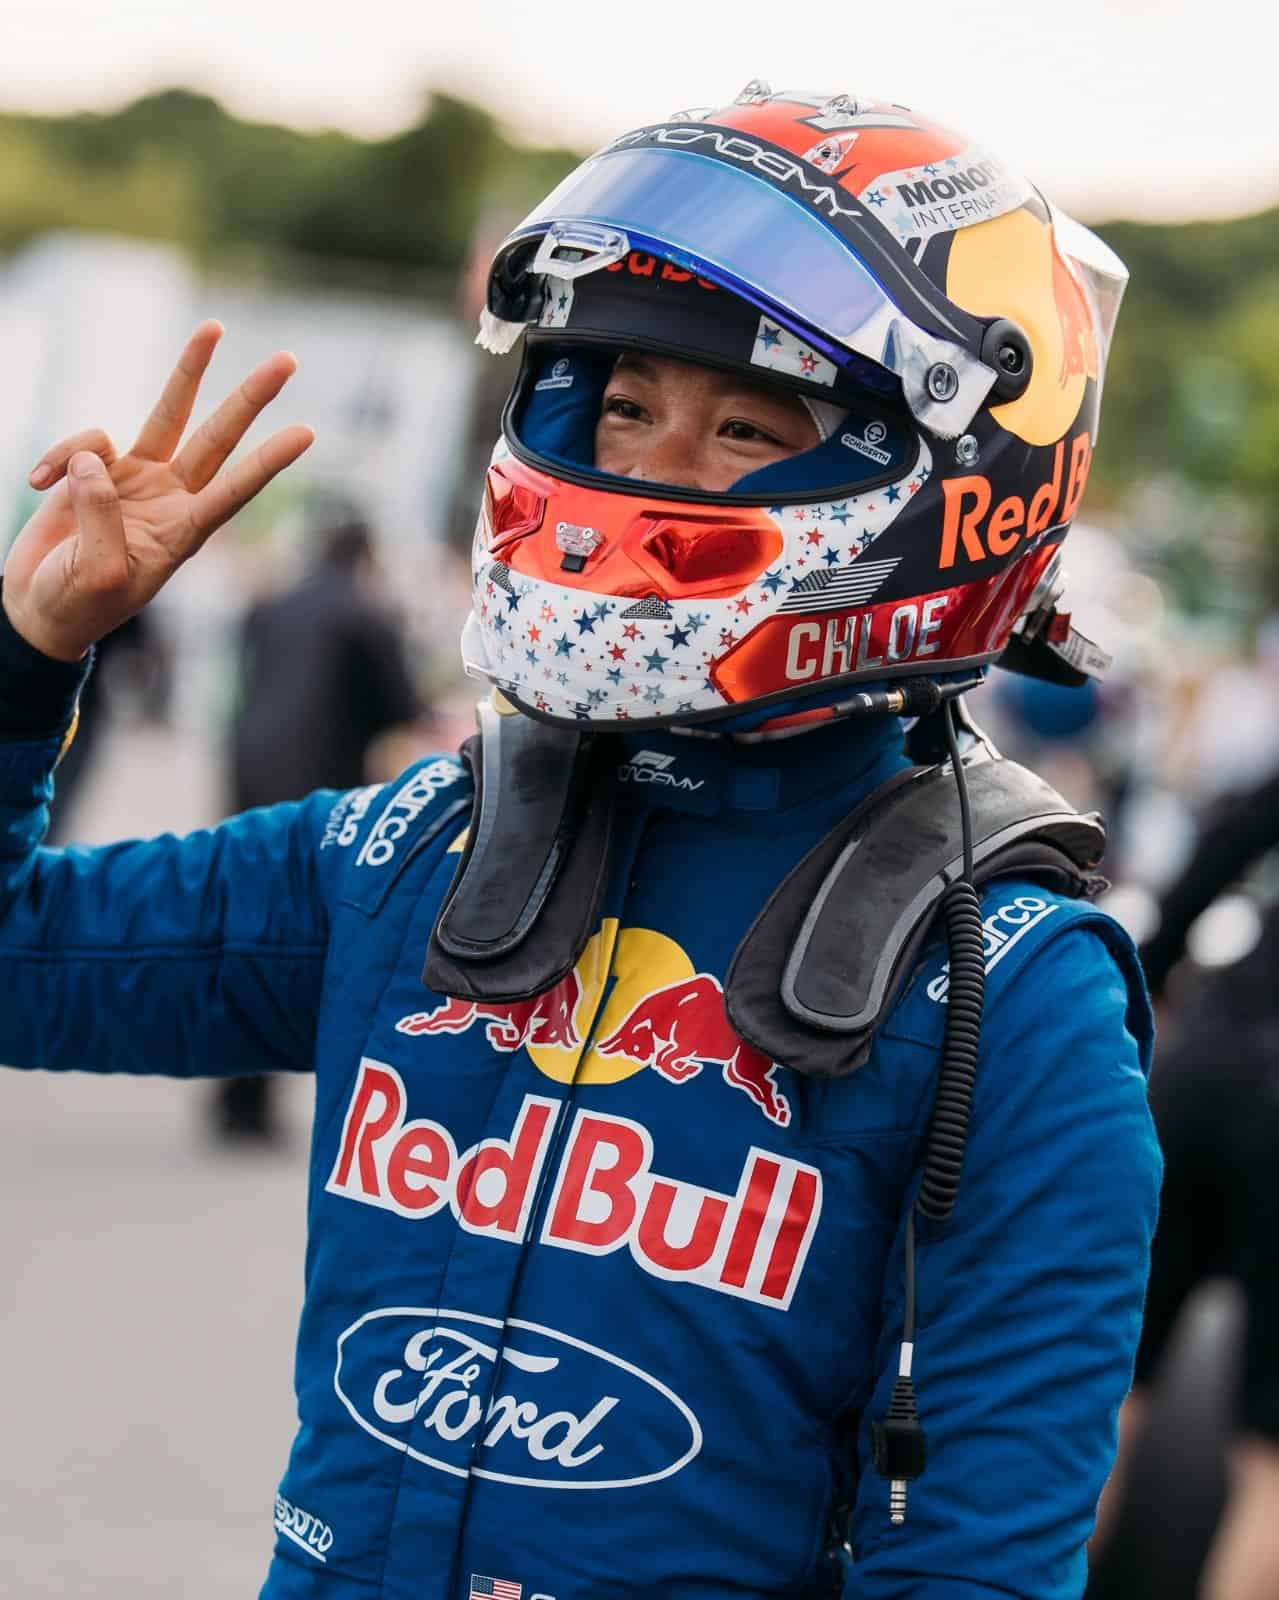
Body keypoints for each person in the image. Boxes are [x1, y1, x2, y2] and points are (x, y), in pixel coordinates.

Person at [0, 86, 1159, 1599]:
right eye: (617, 408)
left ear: (944, 495)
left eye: (745, 430)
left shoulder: (1009, 990)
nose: (646, 477)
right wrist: (32, 649)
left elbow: (978, 1563)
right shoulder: (423, 842)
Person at [1090, 765, 1279, 1600]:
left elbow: (1220, 847)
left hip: (1211, 1063)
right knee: (1269, 1458)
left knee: (1109, 1386)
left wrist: (1157, 972)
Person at [215, 502, 424, 1141]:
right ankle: (250, 1102)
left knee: (244, 922)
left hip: (248, 768)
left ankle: (234, 1096)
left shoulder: (273, 603)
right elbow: (401, 705)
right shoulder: (365, 615)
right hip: (318, 790)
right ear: (365, 555)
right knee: (292, 943)